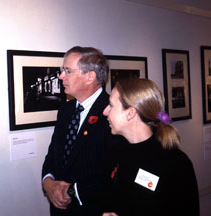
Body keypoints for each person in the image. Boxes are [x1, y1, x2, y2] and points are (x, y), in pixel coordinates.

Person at [102, 78, 199, 216]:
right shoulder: (117, 151)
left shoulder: (175, 163)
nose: (105, 111)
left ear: (130, 113)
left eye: (111, 105)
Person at [41, 46, 112, 216]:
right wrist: (48, 183)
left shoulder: (112, 112)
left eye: (68, 71)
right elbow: (53, 155)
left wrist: (71, 192)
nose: (61, 76)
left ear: (90, 77)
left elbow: (113, 172)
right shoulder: (65, 110)